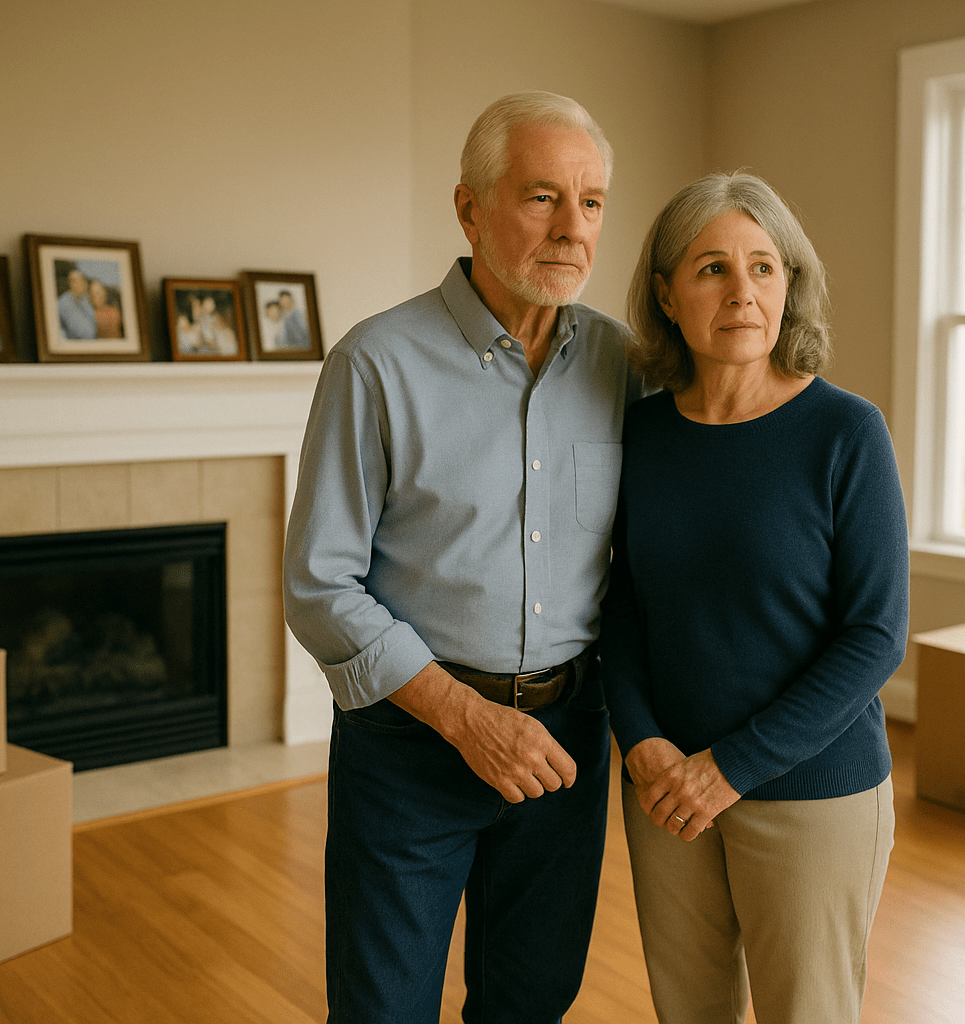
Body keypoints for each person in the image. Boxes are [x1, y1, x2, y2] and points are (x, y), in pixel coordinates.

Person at [284, 90, 639, 1024]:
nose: (573, 229)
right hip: (410, 746)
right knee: (383, 1009)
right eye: (541, 198)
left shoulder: (624, 365)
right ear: (469, 208)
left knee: (531, 1000)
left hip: (567, 746)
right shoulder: (375, 364)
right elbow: (319, 584)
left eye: (592, 202)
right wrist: (462, 716)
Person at [600, 171, 907, 1024]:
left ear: (790, 284)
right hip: (666, 792)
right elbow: (623, 606)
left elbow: (876, 635)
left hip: (811, 793)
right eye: (712, 269)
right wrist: (644, 743)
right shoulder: (647, 433)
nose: (743, 293)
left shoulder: (847, 433)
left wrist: (728, 768)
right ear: (666, 294)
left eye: (764, 268)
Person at [57, 268, 97, 339]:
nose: (80, 284)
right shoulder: (62, 303)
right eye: (75, 281)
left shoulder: (87, 300)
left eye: (82, 280)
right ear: (70, 283)